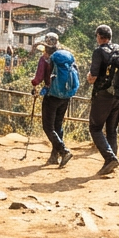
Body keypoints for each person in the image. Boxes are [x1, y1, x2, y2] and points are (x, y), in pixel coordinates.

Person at [86, 24, 119, 176]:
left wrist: (89, 77)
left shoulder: (99, 51)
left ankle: (110, 158)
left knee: (95, 128)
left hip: (103, 95)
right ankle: (111, 161)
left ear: (99, 36)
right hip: (118, 94)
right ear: (110, 36)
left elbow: (93, 77)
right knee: (112, 130)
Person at [31, 32, 73, 167]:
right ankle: (54, 156)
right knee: (57, 126)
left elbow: (38, 78)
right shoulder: (64, 57)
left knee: (48, 127)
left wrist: (33, 83)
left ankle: (64, 151)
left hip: (51, 96)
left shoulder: (45, 59)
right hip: (65, 96)